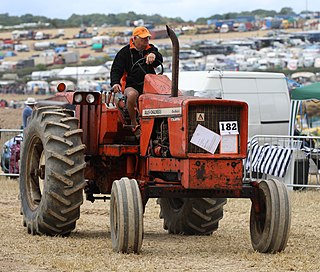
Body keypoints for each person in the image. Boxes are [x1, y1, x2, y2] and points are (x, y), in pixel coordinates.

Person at [110, 26, 163, 137]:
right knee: (132, 95)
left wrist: (153, 55)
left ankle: (158, 124)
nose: (146, 42)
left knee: (163, 96)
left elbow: (158, 58)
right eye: (143, 39)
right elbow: (116, 69)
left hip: (149, 84)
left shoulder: (150, 49)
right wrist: (115, 83)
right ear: (134, 38)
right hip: (132, 84)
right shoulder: (124, 53)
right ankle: (134, 124)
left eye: (147, 39)